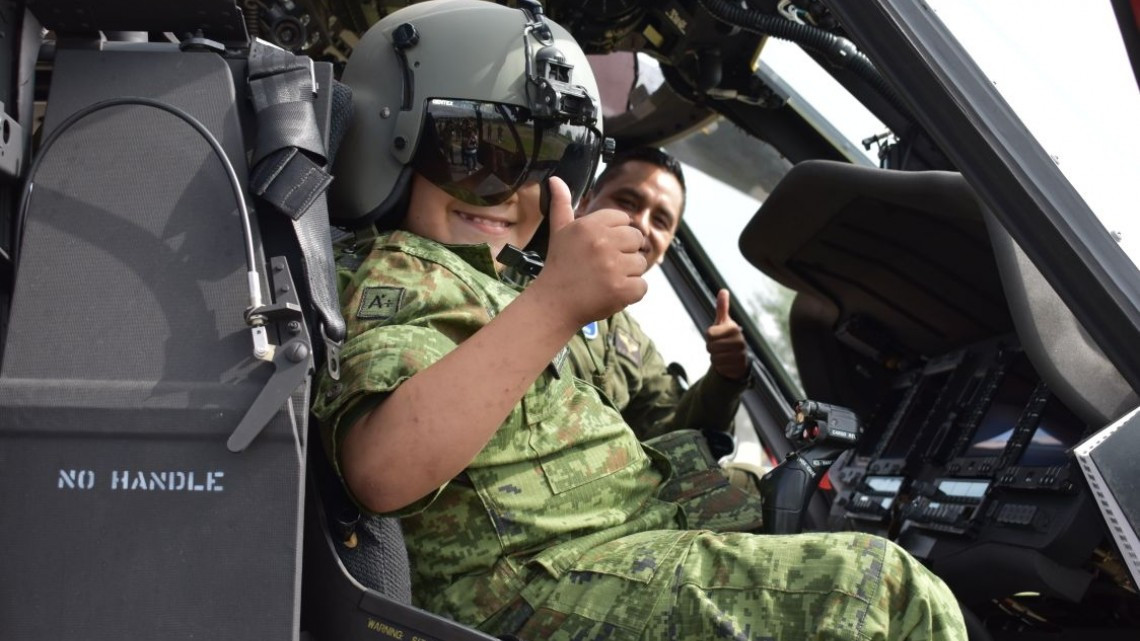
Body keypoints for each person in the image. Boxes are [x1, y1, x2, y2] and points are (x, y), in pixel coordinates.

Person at [317, 1, 966, 640]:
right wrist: (554, 303)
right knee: (888, 595)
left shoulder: (497, 284)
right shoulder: (402, 271)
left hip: (605, 537)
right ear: (390, 139)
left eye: (543, 165)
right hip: (527, 584)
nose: (513, 192)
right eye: (477, 154)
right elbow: (380, 467)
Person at [566, 147, 749, 442]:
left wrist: (726, 378)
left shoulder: (633, 344)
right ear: (584, 202)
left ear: (665, 250)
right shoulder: (507, 272)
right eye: (627, 201)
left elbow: (673, 433)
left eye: (661, 221)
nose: (642, 223)